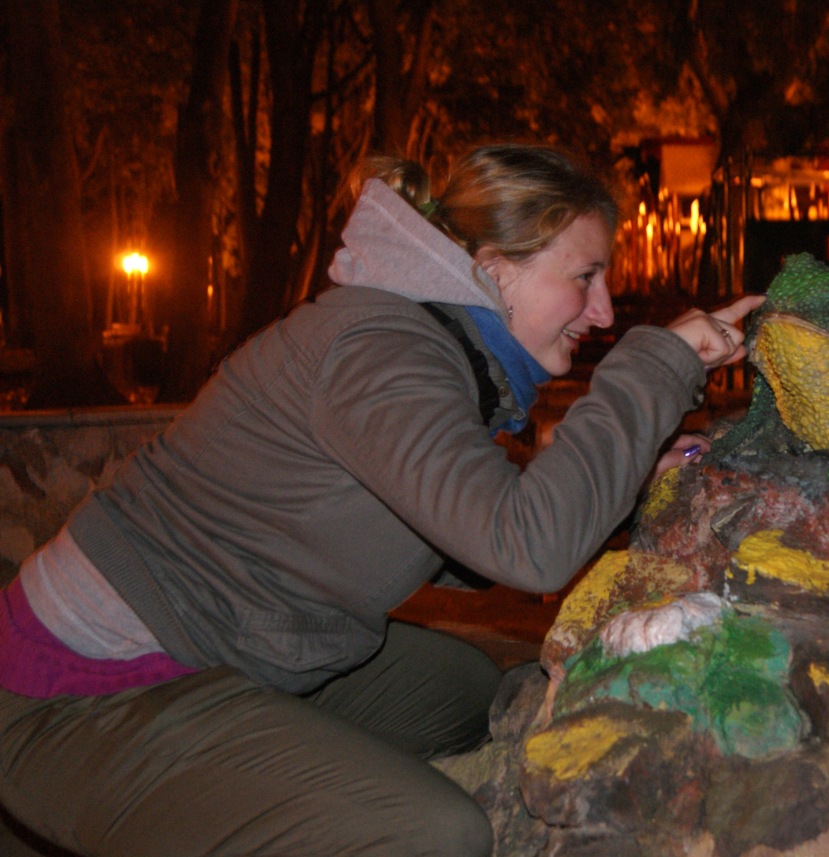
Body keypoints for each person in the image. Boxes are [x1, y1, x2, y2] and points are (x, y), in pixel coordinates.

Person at [0, 144, 762, 856]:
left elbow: (463, 536)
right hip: (79, 685)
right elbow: (527, 549)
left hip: (234, 644)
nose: (603, 311)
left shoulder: (426, 344)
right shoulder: (381, 348)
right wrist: (654, 365)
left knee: (467, 691)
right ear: (493, 269)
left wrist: (627, 484)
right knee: (430, 830)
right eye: (585, 277)